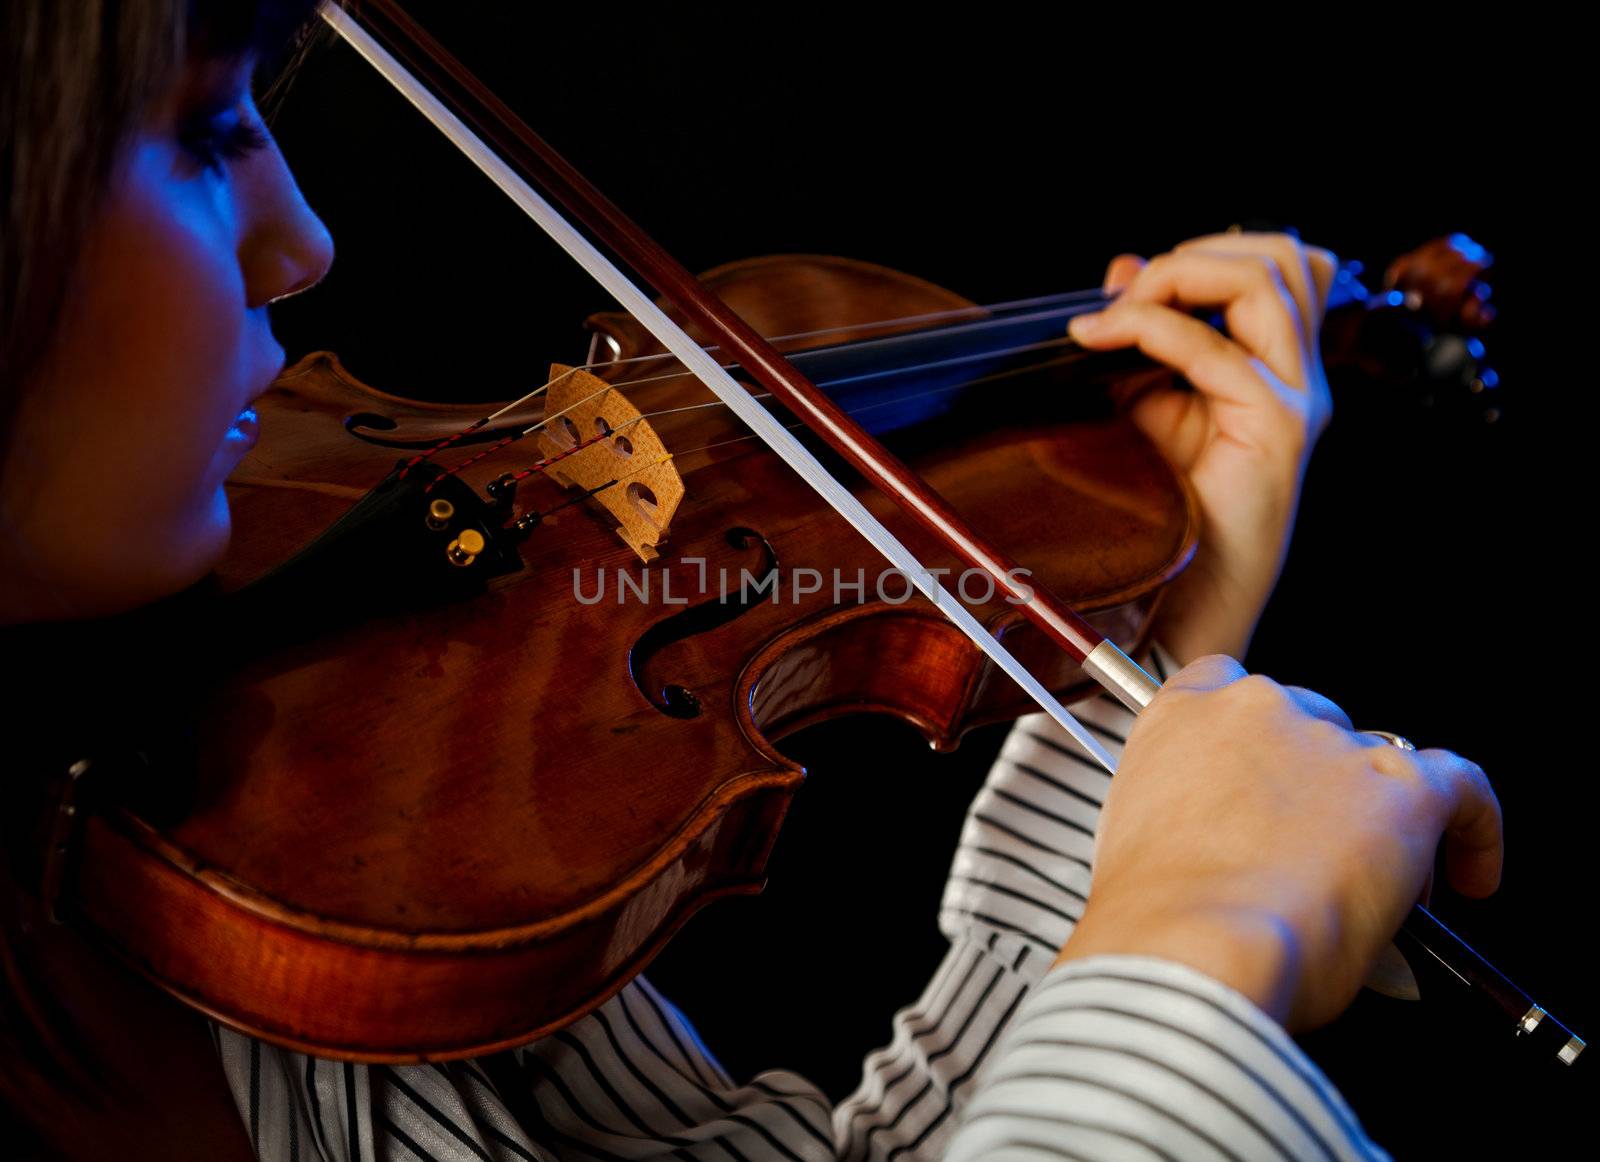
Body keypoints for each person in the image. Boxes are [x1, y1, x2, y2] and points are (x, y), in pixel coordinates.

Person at [0, 2, 1504, 1158]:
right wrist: (1198, 946)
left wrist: (1160, 652)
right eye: (204, 135)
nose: (303, 242)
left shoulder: (290, 819)